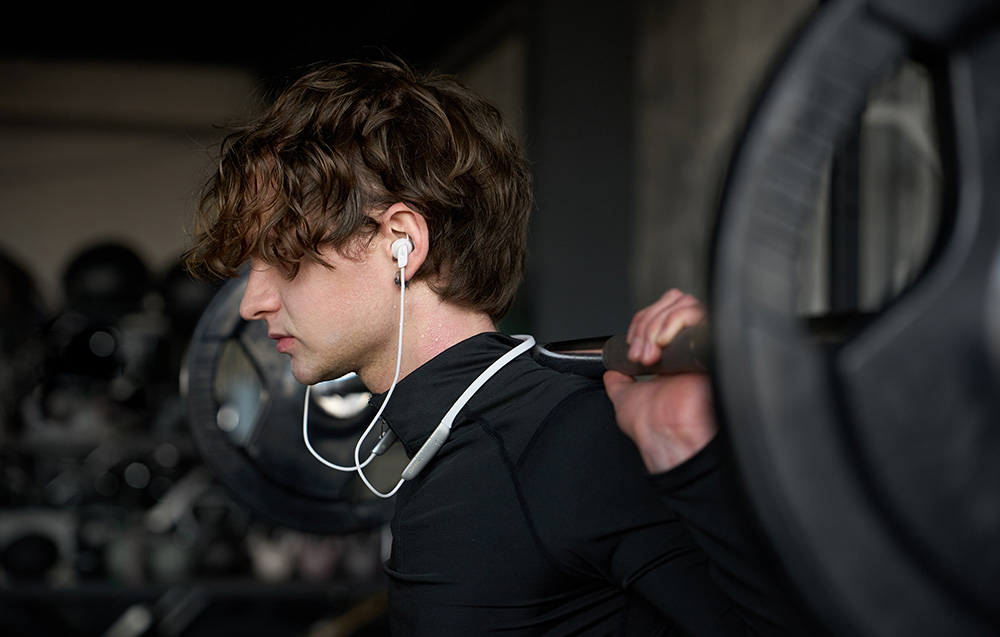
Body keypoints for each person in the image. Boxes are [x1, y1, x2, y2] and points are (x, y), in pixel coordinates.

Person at [184, 56, 808, 635]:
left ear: (401, 242)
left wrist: (693, 459)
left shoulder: (569, 442)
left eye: (282, 257)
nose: (252, 302)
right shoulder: (455, 448)